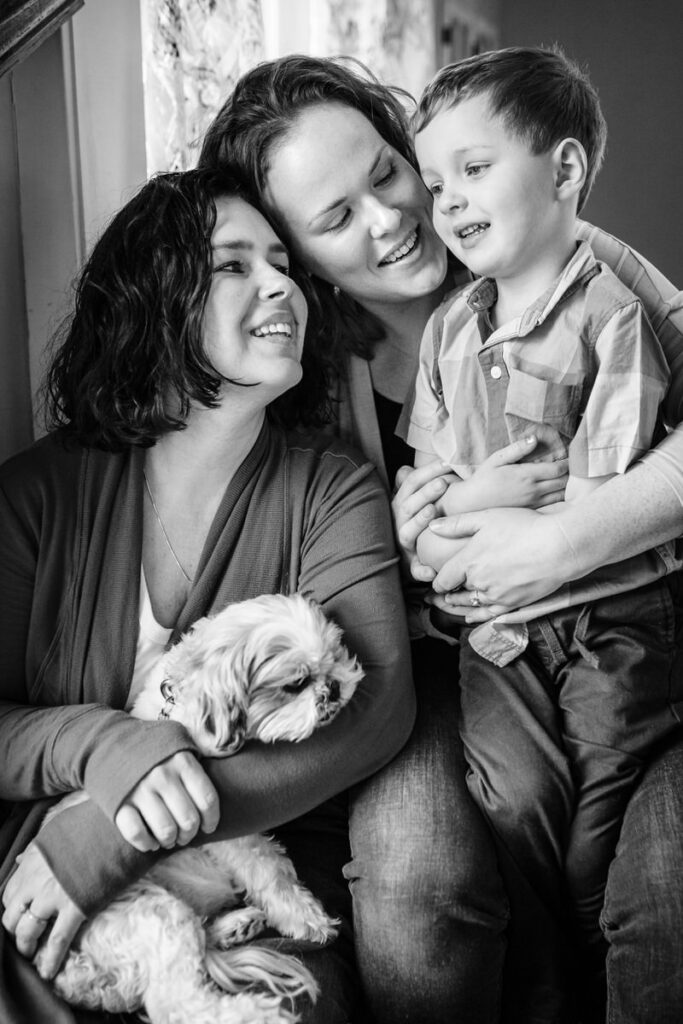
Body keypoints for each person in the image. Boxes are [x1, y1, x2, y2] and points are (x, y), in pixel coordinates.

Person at [199, 53, 683, 1024]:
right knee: (419, 882)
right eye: (336, 219)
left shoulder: (568, 263)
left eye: (386, 171)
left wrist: (561, 542)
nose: (393, 217)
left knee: (657, 887)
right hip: (428, 667)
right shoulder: (295, 379)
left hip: (624, 626)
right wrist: (406, 541)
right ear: (293, 255)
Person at [0, 167, 416, 1024]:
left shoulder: (332, 494)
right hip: (42, 898)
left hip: (253, 889)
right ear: (155, 304)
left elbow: (377, 709)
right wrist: (102, 745)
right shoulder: (38, 496)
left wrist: (115, 835)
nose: (281, 287)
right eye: (233, 265)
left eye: (282, 262)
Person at [401, 44, 683, 1017]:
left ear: (561, 172)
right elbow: (428, 492)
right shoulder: (447, 330)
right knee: (510, 792)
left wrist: (467, 508)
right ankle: (548, 970)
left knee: (601, 801)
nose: (448, 203)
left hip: (612, 614)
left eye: (474, 171)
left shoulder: (612, 316)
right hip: (496, 628)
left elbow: (591, 501)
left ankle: (580, 946)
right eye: (436, 182)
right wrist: (469, 499)